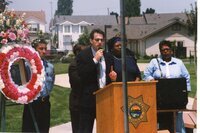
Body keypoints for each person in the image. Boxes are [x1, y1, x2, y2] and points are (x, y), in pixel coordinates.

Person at [143, 40, 191, 133]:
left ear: (171, 51)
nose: (165, 51)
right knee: (162, 118)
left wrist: (186, 92)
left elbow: (186, 77)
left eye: (167, 49)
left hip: (176, 96)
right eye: (163, 50)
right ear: (160, 51)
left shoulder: (179, 63)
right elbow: (146, 75)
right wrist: (151, 79)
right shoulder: (154, 62)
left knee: (177, 118)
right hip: (160, 96)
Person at [76, 28, 117, 133]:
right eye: (97, 40)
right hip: (88, 100)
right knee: (85, 130)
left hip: (105, 98)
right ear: (91, 41)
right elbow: (82, 75)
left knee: (106, 129)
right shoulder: (82, 55)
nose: (99, 42)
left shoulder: (108, 56)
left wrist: (114, 78)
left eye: (101, 40)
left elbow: (110, 75)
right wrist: (95, 60)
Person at [22, 38, 55, 133]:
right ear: (34, 50)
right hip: (32, 104)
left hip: (45, 103)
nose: (44, 51)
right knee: (29, 130)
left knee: (44, 129)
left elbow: (51, 83)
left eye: (45, 48)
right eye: (41, 48)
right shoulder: (27, 66)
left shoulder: (50, 67)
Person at [68, 44, 86, 133]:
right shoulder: (73, 66)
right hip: (77, 103)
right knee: (77, 129)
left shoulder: (85, 64)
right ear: (78, 53)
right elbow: (78, 82)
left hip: (86, 103)